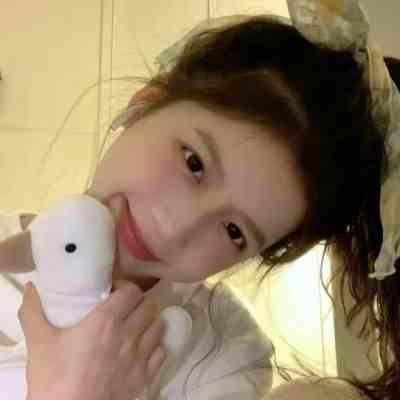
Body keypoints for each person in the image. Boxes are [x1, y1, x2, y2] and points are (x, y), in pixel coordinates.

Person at [1, 1, 400, 399]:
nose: (174, 229)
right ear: (145, 102)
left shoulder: (226, 356)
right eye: (194, 163)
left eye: (234, 231)